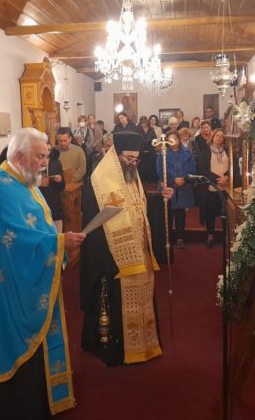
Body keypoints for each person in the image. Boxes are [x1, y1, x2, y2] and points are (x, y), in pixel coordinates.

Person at [0, 128, 85, 419]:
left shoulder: (23, 180)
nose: (45, 163)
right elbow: (14, 241)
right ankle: (20, 406)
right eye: (40, 157)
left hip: (28, 277)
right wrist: (59, 243)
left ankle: (42, 397)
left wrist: (58, 242)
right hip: (10, 285)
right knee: (17, 340)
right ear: (20, 156)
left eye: (46, 156)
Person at [80, 131, 173, 366]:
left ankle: (145, 344)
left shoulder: (132, 176)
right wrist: (107, 260)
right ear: (116, 154)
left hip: (139, 253)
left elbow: (138, 206)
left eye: (136, 159)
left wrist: (159, 197)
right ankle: (121, 350)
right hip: (114, 257)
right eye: (129, 158)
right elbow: (94, 223)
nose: (133, 163)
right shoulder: (99, 180)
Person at [157, 130, 196, 249]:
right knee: (167, 214)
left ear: (179, 139)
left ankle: (180, 238)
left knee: (181, 215)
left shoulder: (187, 152)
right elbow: (160, 171)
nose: (173, 140)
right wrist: (174, 180)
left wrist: (184, 179)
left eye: (175, 138)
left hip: (183, 187)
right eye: (170, 139)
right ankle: (167, 237)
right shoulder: (163, 153)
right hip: (168, 186)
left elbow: (193, 168)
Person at [197, 128, 230, 248]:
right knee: (210, 214)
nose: (219, 138)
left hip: (225, 188)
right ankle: (210, 236)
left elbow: (234, 167)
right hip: (211, 188)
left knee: (225, 214)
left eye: (221, 136)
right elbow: (203, 170)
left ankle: (226, 236)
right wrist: (218, 180)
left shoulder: (228, 151)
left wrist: (226, 178)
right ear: (213, 136)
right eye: (217, 135)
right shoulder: (206, 151)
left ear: (224, 139)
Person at [39, 143, 65, 232]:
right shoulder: (35, 162)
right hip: (40, 198)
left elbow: (62, 186)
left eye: (49, 150)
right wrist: (39, 183)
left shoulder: (56, 163)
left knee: (57, 230)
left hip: (54, 200)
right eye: (45, 150)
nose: (47, 152)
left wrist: (59, 180)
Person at [137, 115, 158, 183]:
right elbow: (136, 140)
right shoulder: (137, 129)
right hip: (141, 152)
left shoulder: (151, 129)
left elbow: (155, 139)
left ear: (147, 122)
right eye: (142, 123)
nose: (143, 124)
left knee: (151, 168)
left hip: (150, 152)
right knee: (142, 168)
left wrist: (150, 141)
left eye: (144, 123)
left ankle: (151, 181)